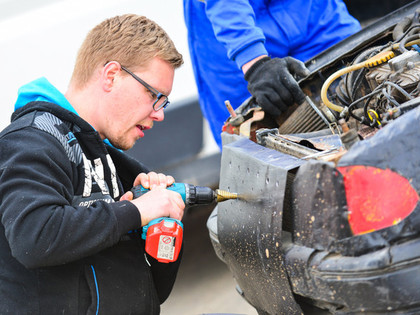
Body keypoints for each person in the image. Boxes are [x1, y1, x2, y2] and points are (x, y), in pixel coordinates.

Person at [0, 14, 185, 314]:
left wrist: (161, 226)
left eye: (164, 102)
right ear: (111, 75)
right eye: (154, 95)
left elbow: (154, 292)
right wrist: (136, 211)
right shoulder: (33, 140)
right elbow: (33, 237)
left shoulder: (111, 160)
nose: (159, 113)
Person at [183, 0, 361, 148]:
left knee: (361, 73)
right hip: (229, 22)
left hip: (311, 12)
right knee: (249, 142)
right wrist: (253, 62)